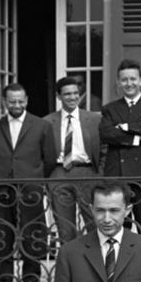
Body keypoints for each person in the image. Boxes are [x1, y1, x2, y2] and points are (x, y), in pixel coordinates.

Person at [0, 82, 56, 282]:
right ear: (5, 102)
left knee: (32, 236)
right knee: (3, 237)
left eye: (20, 101)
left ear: (26, 100)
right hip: (1, 189)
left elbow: (49, 159)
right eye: (12, 101)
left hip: (30, 189)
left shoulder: (41, 125)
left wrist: (34, 179)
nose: (17, 105)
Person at [99, 60, 141, 238]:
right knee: (118, 228)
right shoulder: (110, 109)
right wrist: (136, 138)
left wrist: (126, 127)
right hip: (118, 176)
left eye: (133, 79)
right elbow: (106, 134)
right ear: (119, 82)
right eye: (124, 80)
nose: (129, 83)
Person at [45, 75, 102, 246]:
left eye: (76, 93)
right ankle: (71, 269)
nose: (73, 97)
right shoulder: (47, 122)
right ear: (59, 96)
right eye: (67, 94)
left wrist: (101, 175)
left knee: (95, 224)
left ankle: (97, 266)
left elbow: (105, 149)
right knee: (65, 228)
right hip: (59, 173)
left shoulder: (94, 119)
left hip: (88, 173)